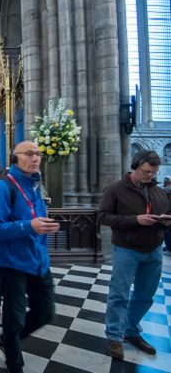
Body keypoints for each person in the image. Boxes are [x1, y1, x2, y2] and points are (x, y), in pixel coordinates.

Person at [0, 140, 58, 373]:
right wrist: (29, 226)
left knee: (46, 313)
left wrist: (42, 228)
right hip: (12, 264)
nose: (35, 157)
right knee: (14, 320)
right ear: (15, 158)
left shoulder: (36, 185)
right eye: (29, 153)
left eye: (38, 153)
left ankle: (6, 339)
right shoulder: (2, 188)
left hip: (38, 263)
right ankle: (14, 365)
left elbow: (36, 219)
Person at [99, 149, 169, 360]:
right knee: (119, 294)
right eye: (147, 172)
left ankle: (130, 330)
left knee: (145, 296)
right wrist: (135, 220)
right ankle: (114, 336)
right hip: (127, 250)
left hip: (154, 249)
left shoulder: (158, 191)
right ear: (135, 167)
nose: (151, 176)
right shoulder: (116, 190)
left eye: (154, 173)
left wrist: (166, 221)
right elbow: (103, 217)